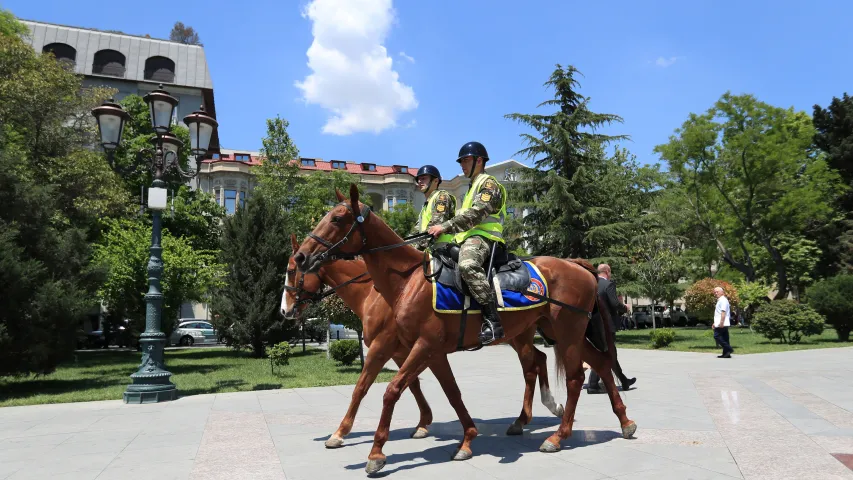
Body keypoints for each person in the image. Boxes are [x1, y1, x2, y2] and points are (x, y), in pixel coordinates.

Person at [428, 141, 507, 345]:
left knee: (467, 265)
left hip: (485, 237)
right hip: (466, 238)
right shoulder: (473, 187)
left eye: (466, 160)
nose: (462, 165)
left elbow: (477, 213)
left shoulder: (488, 184)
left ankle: (492, 322)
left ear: (479, 161)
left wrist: (444, 226)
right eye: (461, 161)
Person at [588, 263, 637, 393]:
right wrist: (624, 308)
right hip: (606, 324)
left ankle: (624, 381)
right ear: (607, 272)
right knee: (605, 353)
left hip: (593, 324)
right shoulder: (608, 285)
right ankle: (593, 384)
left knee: (609, 353)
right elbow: (614, 303)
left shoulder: (591, 283)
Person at [410, 165, 456, 250]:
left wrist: (414, 249)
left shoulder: (442, 197)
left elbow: (434, 226)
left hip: (443, 250)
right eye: (418, 179)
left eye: (423, 178)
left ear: (435, 181)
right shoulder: (425, 206)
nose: (419, 181)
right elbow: (415, 232)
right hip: (430, 249)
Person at [713, 286, 733, 358]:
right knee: (725, 338)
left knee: (716, 336)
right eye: (714, 292)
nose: (715, 293)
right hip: (721, 322)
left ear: (722, 292)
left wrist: (721, 322)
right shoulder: (720, 300)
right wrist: (714, 323)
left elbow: (723, 312)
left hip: (722, 323)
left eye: (717, 292)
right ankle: (726, 354)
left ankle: (729, 349)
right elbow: (718, 313)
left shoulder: (723, 300)